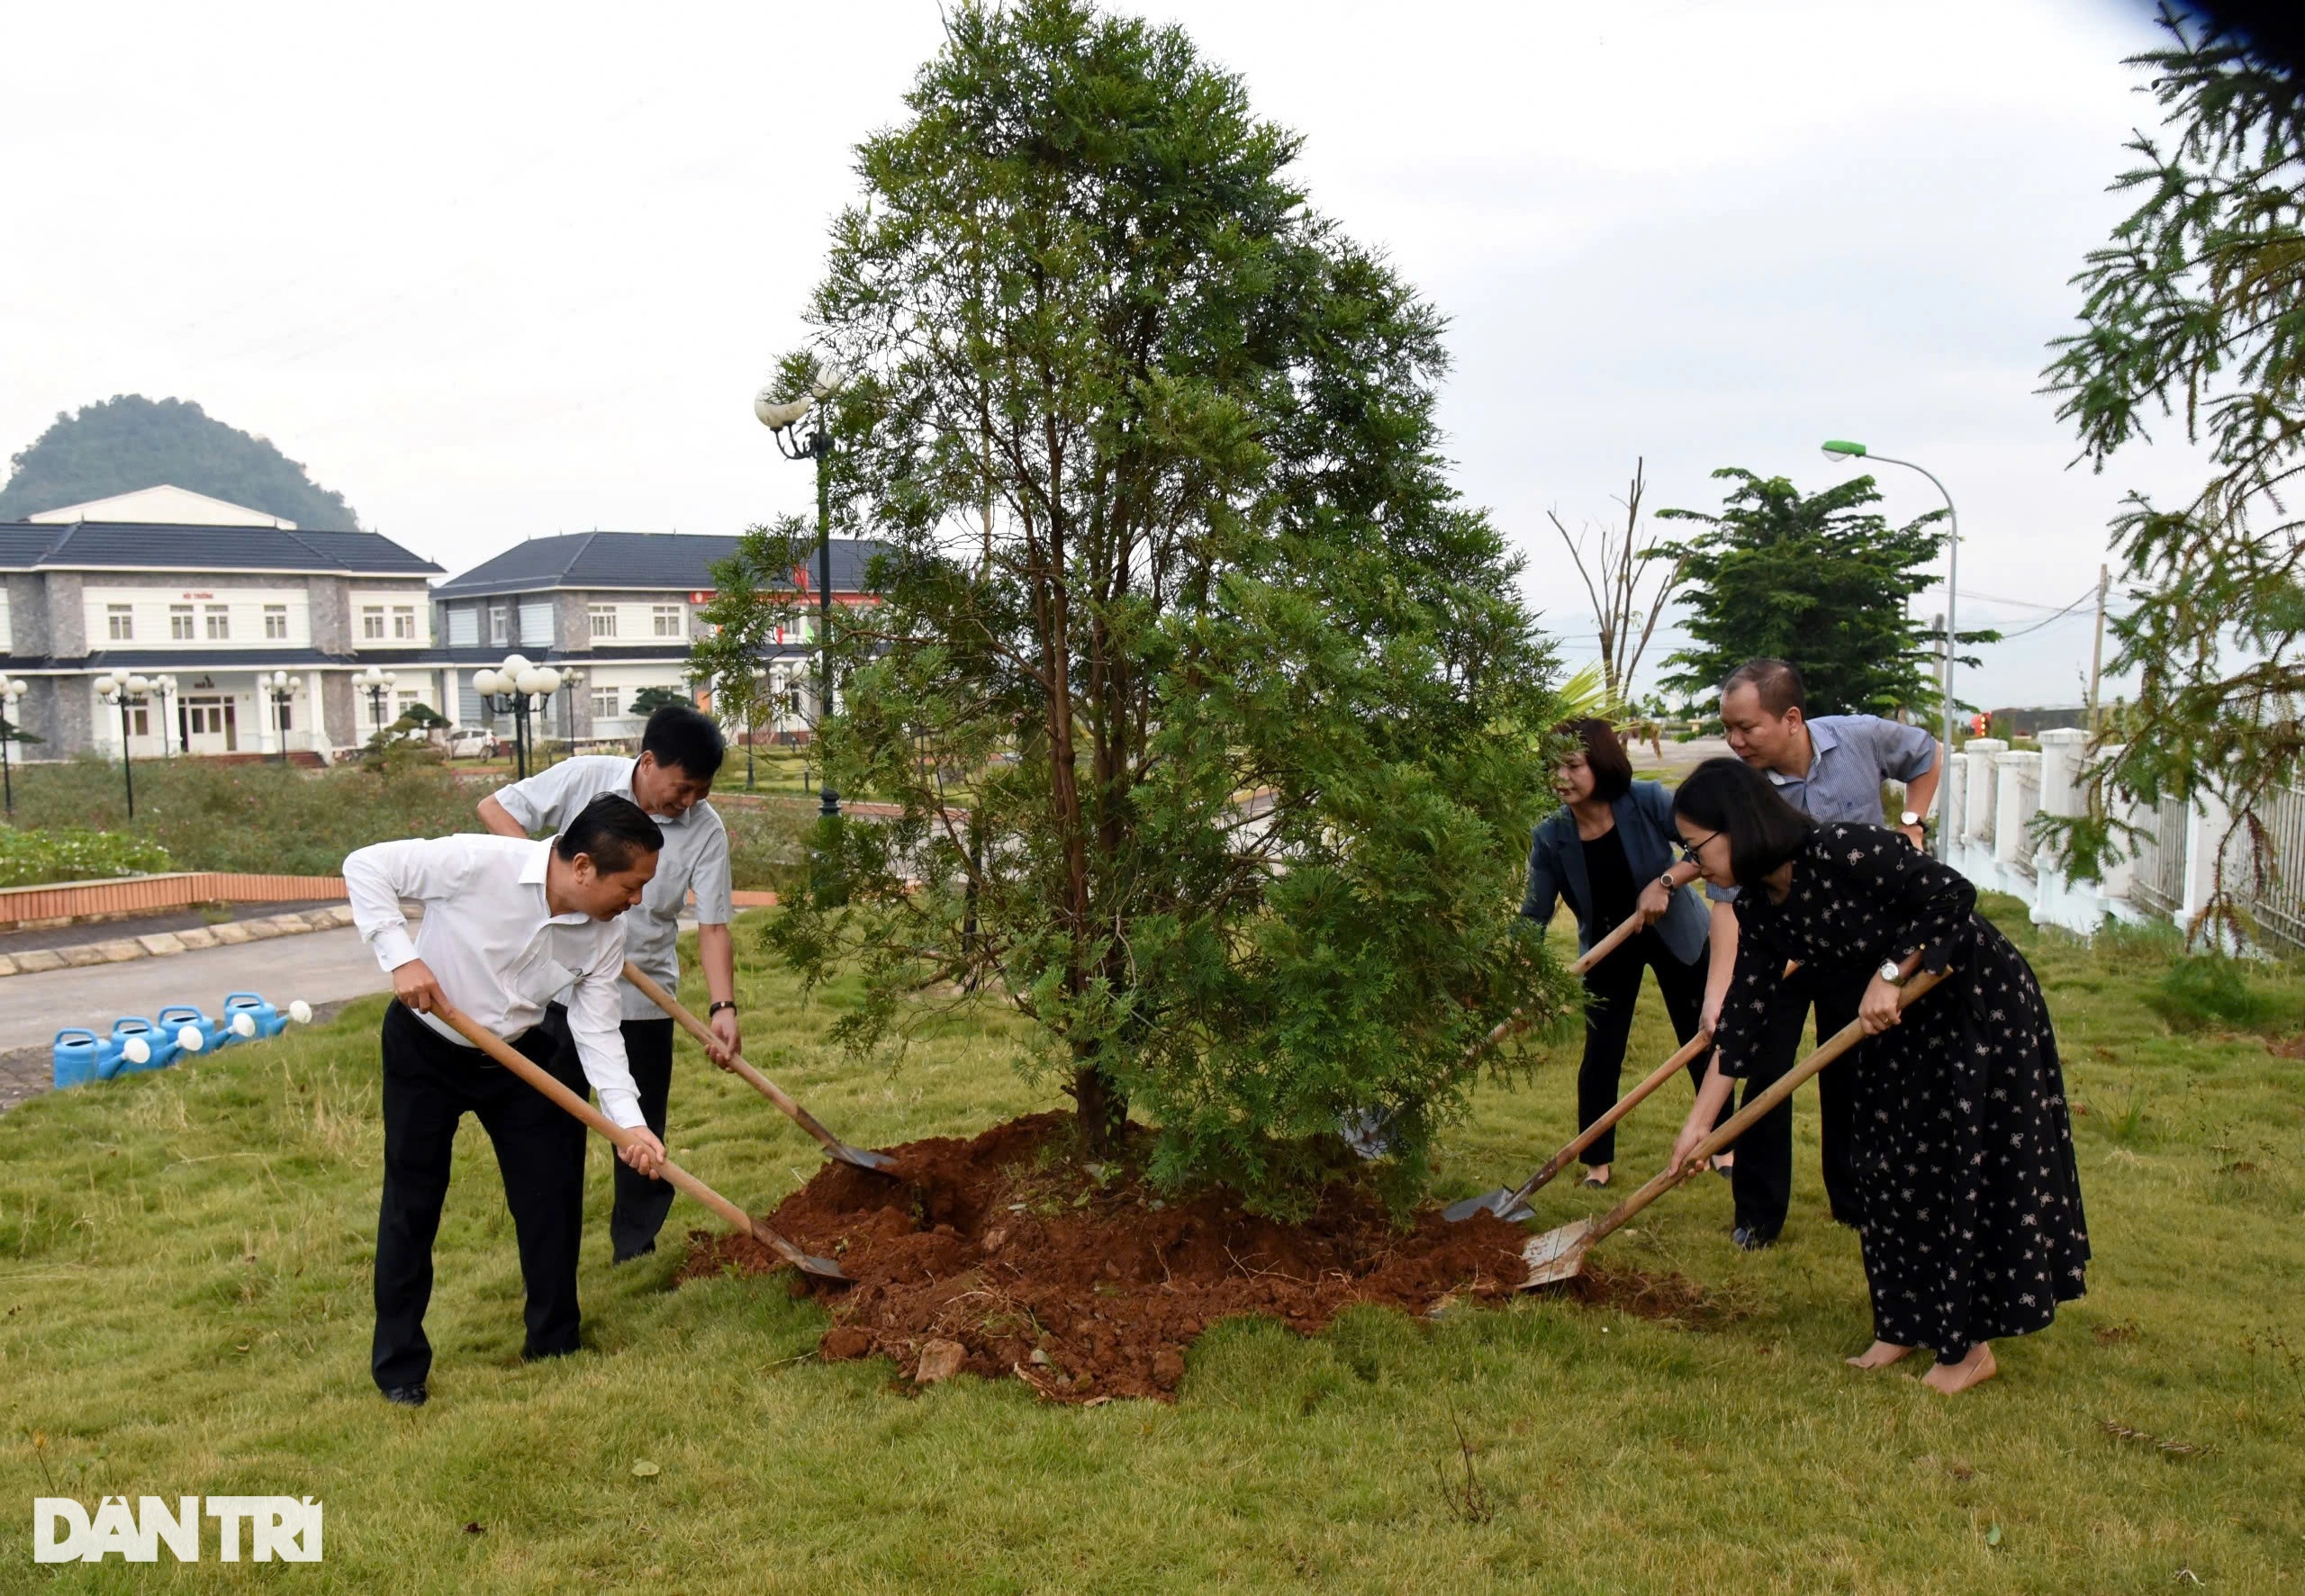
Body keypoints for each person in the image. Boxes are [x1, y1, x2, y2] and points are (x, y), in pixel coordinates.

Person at [1664, 758, 2088, 1394]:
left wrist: (1890, 972)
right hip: (1896, 1025)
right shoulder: (1760, 905)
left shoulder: (1839, 848)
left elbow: (1951, 895)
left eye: (1698, 849)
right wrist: (1702, 1126)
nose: (1696, 866)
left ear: (1741, 826)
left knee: (1953, 1163)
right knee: (1884, 1164)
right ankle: (1902, 1325)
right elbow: (1743, 1025)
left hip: (1969, 1000)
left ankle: (1967, 1349)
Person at [344, 794, 669, 1407]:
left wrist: (630, 1124)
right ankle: (399, 1368)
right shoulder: (477, 862)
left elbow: (598, 1030)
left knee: (551, 1199)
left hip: (523, 1055)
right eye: (630, 885)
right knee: (413, 1203)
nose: (636, 900)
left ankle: (553, 1342)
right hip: (427, 1046)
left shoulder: (605, 931)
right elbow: (365, 865)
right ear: (581, 867)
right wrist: (401, 955)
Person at [1677, 659, 1945, 1249]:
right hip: (1778, 947)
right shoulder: (1740, 795)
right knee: (1764, 1067)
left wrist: (1912, 822)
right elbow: (1727, 902)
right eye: (1728, 729)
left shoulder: (1858, 739)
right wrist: (1719, 995)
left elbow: (1927, 754)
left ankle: (1854, 1202)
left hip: (1864, 951)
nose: (1735, 740)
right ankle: (1757, 1215)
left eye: (1747, 727)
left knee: (1850, 1071)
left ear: (1792, 718)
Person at [478, 703, 738, 1265]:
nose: (690, 801)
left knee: (639, 1125)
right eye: (684, 786)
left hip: (644, 994)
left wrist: (723, 1006)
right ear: (648, 762)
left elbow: (713, 924)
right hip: (558, 984)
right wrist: (554, 879)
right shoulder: (586, 779)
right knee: (551, 1127)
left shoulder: (705, 829)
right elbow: (494, 807)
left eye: (702, 791)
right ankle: (551, 1244)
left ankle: (635, 1247)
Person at [1520, 718, 1731, 1187]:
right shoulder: (1550, 837)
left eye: (1573, 764)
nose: (1561, 777)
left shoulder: (1647, 801)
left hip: (1677, 932)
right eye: (1553, 766)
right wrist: (1514, 970)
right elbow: (1533, 915)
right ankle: (1596, 1161)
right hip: (1608, 947)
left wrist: (1665, 882)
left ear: (1600, 762)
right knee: (1602, 1052)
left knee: (1702, 1032)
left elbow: (1708, 848)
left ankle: (1721, 1143)